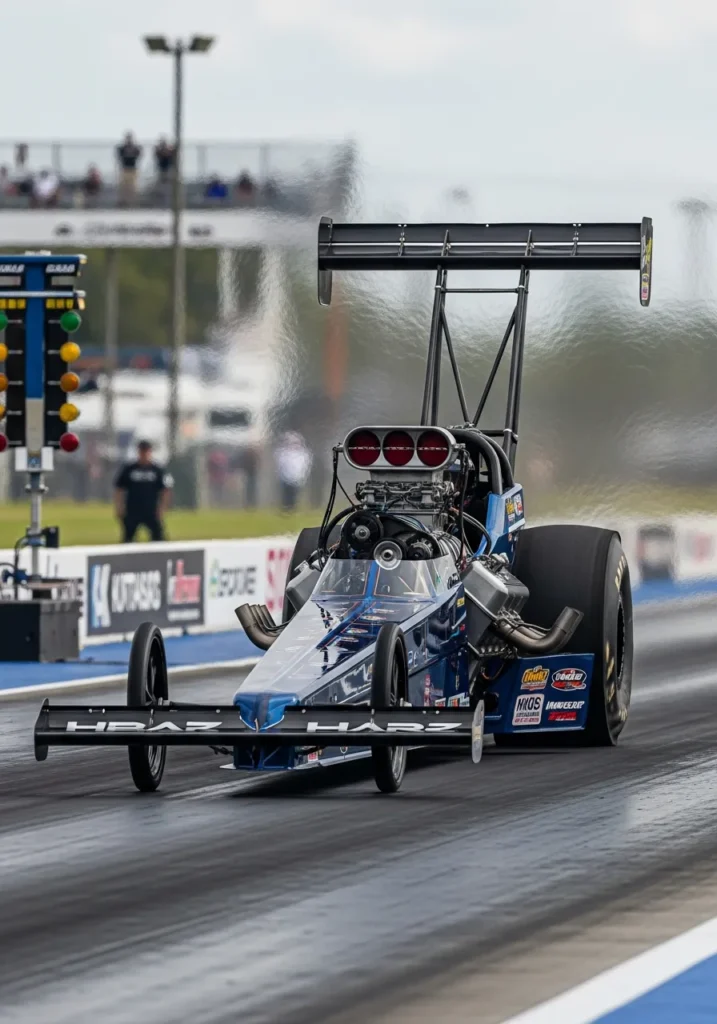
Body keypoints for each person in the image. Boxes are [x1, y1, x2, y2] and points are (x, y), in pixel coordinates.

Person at [114, 440, 173, 542]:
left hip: (151, 510)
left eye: (146, 451)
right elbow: (119, 488)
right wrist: (119, 507)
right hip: (132, 510)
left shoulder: (157, 470)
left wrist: (162, 508)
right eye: (142, 451)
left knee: (159, 538)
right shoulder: (129, 469)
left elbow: (166, 490)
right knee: (128, 538)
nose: (144, 454)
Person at [274, 430, 312, 512]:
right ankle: (286, 508)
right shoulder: (283, 453)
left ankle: (292, 508)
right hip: (285, 478)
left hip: (296, 478)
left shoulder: (302, 454)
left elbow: (305, 466)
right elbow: (281, 465)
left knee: (294, 494)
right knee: (286, 494)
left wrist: (302, 476)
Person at [116, 132, 142, 206]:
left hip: (133, 169)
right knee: (123, 187)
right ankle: (123, 202)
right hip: (124, 169)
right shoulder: (122, 148)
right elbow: (120, 154)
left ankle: (133, 202)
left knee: (133, 187)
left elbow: (138, 154)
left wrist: (131, 152)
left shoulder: (135, 148)